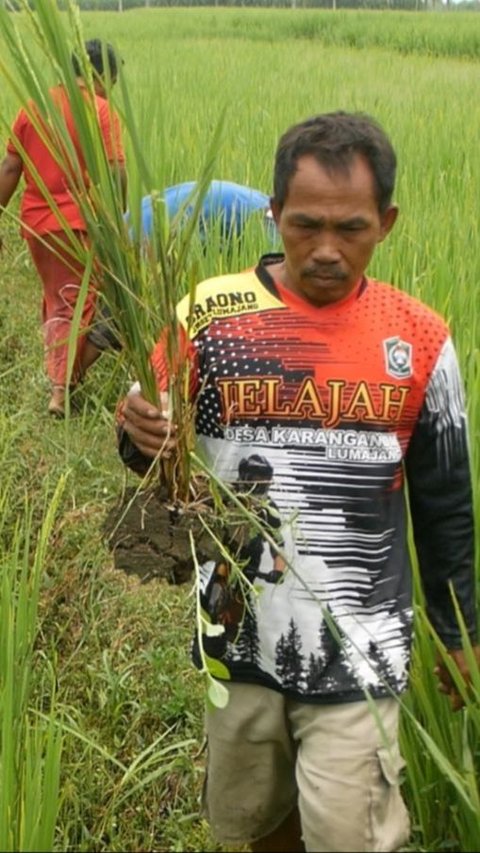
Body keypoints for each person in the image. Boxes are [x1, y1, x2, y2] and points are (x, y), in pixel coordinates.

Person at [115, 111, 479, 852]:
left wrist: (459, 633)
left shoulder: (420, 338)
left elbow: (446, 508)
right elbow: (154, 448)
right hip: (236, 635)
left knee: (349, 833)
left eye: (352, 229)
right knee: (257, 819)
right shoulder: (209, 316)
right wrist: (136, 432)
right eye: (305, 224)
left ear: (387, 221)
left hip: (363, 646)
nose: (325, 250)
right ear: (273, 212)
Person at [0, 38, 126, 417]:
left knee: (59, 301)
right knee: (80, 305)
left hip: (37, 226)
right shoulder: (100, 112)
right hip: (77, 226)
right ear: (101, 76)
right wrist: (117, 223)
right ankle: (61, 391)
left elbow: (9, 168)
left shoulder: (34, 106)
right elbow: (117, 172)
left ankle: (67, 379)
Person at [86, 179, 276, 355]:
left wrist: (72, 375)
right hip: (246, 204)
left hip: (252, 215)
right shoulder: (124, 229)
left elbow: (110, 323)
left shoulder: (128, 251)